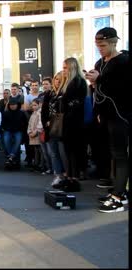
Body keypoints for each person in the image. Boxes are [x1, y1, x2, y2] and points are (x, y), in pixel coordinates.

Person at [85, 27, 130, 212]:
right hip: (106, 116)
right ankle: (118, 191)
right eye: (98, 45)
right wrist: (95, 82)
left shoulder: (124, 61)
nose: (100, 49)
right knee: (113, 154)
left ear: (113, 42)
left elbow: (123, 88)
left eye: (103, 45)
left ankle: (118, 197)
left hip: (122, 115)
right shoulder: (99, 62)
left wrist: (100, 79)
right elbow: (99, 92)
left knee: (120, 155)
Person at [56, 57, 87, 191]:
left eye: (65, 68)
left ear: (71, 68)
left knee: (73, 151)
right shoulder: (67, 82)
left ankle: (74, 179)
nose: (63, 71)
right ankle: (69, 177)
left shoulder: (78, 82)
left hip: (74, 122)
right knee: (68, 151)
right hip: (67, 121)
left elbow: (75, 103)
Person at [1, 97, 27, 165]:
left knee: (18, 140)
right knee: (6, 140)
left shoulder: (21, 113)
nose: (13, 106)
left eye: (14, 104)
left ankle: (11, 156)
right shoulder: (5, 113)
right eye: (11, 104)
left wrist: (22, 131)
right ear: (9, 105)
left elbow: (25, 124)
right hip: (8, 130)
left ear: (17, 105)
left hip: (18, 130)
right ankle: (11, 157)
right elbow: (2, 123)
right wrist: (5, 128)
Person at [27, 98, 44, 172]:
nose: (33, 107)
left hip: (38, 134)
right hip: (32, 134)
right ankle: (36, 164)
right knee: (36, 150)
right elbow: (29, 124)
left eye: (35, 105)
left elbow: (40, 124)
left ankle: (41, 165)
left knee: (41, 150)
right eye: (32, 105)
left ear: (40, 104)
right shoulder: (33, 113)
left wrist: (35, 132)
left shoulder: (39, 113)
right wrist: (29, 132)